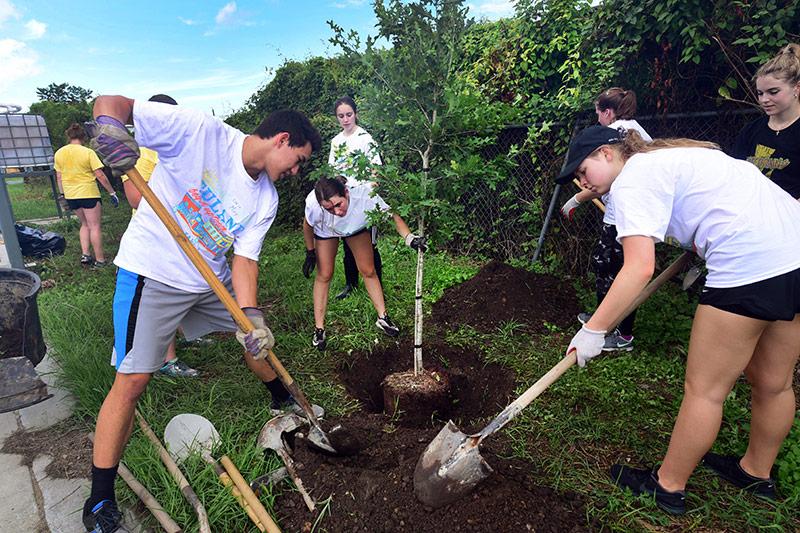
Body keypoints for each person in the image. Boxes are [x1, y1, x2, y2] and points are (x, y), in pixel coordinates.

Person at [82, 95, 321, 532]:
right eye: (298, 161)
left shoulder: (264, 199)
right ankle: (99, 501)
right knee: (132, 381)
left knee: (254, 334)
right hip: (152, 271)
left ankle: (283, 399)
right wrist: (108, 127)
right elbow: (113, 103)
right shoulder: (200, 132)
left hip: (207, 278)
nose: (295, 173)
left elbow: (245, 262)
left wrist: (252, 317)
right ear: (283, 139)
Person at [556, 125, 800, 515]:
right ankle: (755, 471)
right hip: (794, 252)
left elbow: (638, 269)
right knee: (774, 383)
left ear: (605, 153)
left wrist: (594, 330)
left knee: (705, 390)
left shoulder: (633, 179)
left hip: (749, 263)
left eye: (583, 170)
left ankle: (667, 487)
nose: (582, 182)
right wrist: (699, 241)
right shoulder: (668, 157)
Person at [560, 88, 652, 351]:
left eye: (598, 113)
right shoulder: (633, 132)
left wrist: (577, 199)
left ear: (607, 112)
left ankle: (620, 333)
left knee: (618, 269)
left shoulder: (619, 133)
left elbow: (640, 269)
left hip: (625, 218)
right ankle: (605, 319)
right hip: (623, 215)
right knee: (607, 267)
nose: (598, 118)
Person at [118, 94, 199, 379]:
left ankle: (190, 332)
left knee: (186, 286)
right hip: (156, 239)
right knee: (165, 293)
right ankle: (168, 359)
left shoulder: (176, 148)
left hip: (182, 236)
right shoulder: (142, 151)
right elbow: (135, 198)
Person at [302, 176, 425, 350]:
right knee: (325, 274)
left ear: (346, 192)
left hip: (354, 226)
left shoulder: (365, 195)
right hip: (326, 230)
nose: (336, 211)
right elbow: (308, 225)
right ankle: (319, 329)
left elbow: (392, 216)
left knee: (368, 270)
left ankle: (383, 318)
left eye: (338, 204)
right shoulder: (315, 205)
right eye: (329, 208)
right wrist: (310, 252)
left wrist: (410, 238)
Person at [327, 96, 384, 300]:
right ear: (337, 118)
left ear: (355, 114)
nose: (345, 119)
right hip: (345, 199)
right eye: (341, 116)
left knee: (369, 243)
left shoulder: (365, 138)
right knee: (347, 241)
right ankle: (351, 284)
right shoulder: (336, 142)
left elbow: (376, 168)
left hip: (364, 198)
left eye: (349, 114)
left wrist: (371, 194)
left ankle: (378, 286)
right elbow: (333, 171)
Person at [731, 43, 800, 199]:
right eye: (760, 93)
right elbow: (735, 176)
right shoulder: (751, 130)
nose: (764, 100)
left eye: (773, 92)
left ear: (796, 88)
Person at [54, 123, 119, 267]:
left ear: (69, 136)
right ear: (83, 137)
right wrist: (111, 192)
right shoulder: (88, 152)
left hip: (71, 195)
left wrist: (62, 194)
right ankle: (100, 260)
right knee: (94, 226)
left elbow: (59, 176)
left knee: (84, 224)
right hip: (88, 193)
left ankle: (86, 255)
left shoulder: (59, 153)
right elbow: (100, 175)